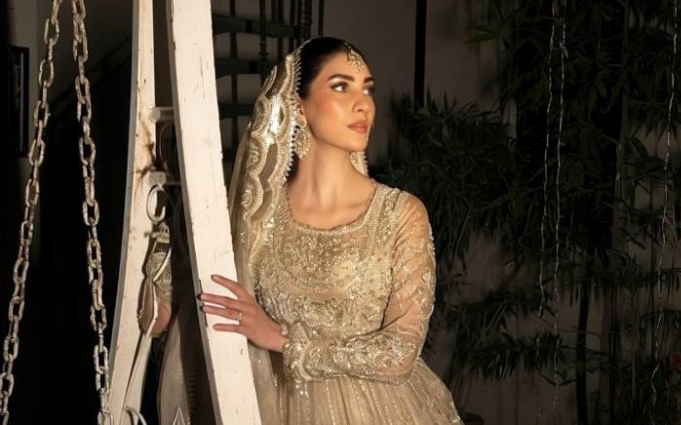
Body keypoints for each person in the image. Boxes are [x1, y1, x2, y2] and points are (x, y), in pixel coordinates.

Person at [151, 37, 463, 424]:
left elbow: (400, 353)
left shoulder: (401, 214)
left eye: (367, 89)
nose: (364, 104)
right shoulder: (256, 215)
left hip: (379, 411)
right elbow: (168, 317)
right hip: (271, 406)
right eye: (341, 87)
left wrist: (282, 340)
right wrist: (167, 247)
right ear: (298, 106)